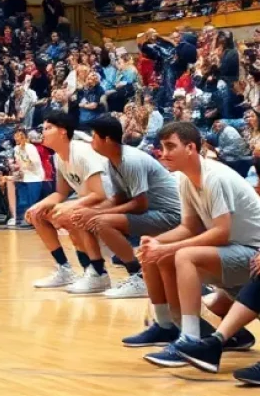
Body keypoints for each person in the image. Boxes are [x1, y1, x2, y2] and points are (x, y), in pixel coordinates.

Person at [121, 121, 260, 366]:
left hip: (253, 255)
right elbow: (190, 228)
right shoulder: (184, 179)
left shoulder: (215, 177)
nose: (163, 154)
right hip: (232, 251)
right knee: (156, 254)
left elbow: (221, 233)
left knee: (184, 256)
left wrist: (169, 247)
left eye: (170, 147)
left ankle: (190, 338)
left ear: (191, 148)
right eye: (162, 147)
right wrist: (156, 242)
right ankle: (169, 326)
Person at [64, 115, 181, 299]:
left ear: (107, 139)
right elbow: (119, 198)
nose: (91, 141)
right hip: (153, 212)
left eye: (94, 136)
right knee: (87, 217)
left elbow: (140, 204)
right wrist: (92, 211)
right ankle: (98, 272)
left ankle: (140, 277)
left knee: (101, 222)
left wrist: (99, 214)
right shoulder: (112, 161)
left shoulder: (130, 160)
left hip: (171, 216)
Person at [25, 109, 111, 294]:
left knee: (68, 213)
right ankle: (65, 269)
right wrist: (38, 206)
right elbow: (61, 193)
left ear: (63, 131)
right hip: (92, 203)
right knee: (38, 215)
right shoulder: (59, 156)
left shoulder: (81, 152)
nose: (43, 133)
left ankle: (97, 272)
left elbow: (100, 194)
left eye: (48, 128)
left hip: (114, 203)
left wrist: (68, 206)